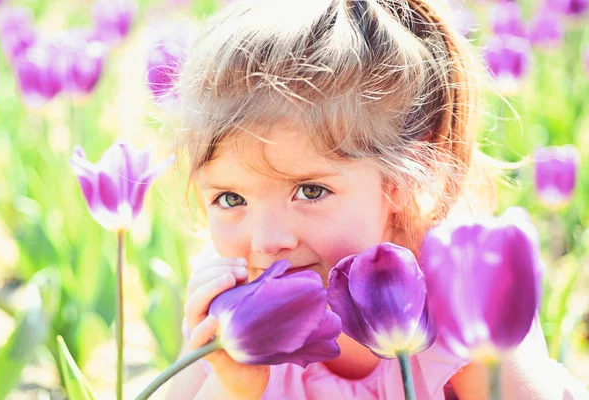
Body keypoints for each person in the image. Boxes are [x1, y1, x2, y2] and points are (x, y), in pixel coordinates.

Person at [166, 0, 589, 398]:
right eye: (230, 198)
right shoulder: (233, 303)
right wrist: (234, 386)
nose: (265, 240)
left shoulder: (458, 294)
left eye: (310, 191)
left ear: (402, 181)